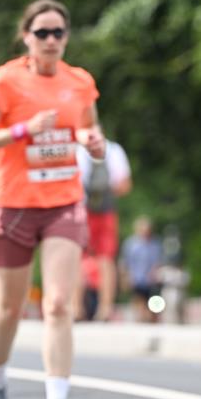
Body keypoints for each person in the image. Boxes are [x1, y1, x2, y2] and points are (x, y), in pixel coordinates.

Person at [0, 0, 105, 399]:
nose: (51, 40)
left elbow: (88, 128)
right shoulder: (5, 81)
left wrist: (93, 142)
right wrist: (23, 129)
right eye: (42, 32)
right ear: (25, 36)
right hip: (13, 205)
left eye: (59, 33)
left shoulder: (80, 81)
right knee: (8, 308)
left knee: (57, 303)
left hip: (64, 202)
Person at [76, 136, 132, 321]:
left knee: (79, 258)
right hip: (105, 211)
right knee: (105, 259)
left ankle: (76, 307)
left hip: (83, 210)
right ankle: (105, 308)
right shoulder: (114, 150)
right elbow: (124, 185)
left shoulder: (78, 151)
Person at [119, 216, 164, 323]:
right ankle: (140, 321)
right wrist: (125, 277)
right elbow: (125, 262)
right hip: (136, 279)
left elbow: (159, 261)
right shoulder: (130, 244)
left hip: (152, 280)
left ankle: (152, 322)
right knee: (139, 301)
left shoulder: (156, 243)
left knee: (154, 304)